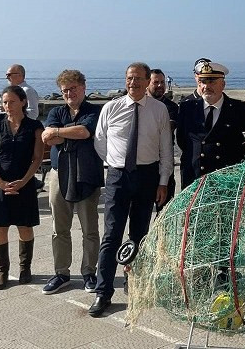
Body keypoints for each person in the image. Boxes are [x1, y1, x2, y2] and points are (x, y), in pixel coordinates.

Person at [88, 62, 174, 317]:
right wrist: (116, 163)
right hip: (117, 177)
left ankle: (134, 285)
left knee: (140, 235)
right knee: (111, 235)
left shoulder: (159, 110)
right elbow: (100, 142)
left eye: (138, 78)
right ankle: (103, 293)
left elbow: (166, 150)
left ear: (148, 81)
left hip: (148, 177)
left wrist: (162, 181)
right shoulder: (111, 108)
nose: (133, 83)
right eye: (129, 78)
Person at [40, 70, 103, 295]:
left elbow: (84, 132)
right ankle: (61, 273)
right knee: (59, 228)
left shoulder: (95, 111)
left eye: (73, 88)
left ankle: (89, 272)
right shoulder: (56, 111)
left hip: (87, 174)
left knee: (90, 229)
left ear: (83, 88)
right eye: (65, 90)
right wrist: (62, 133)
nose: (69, 93)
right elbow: (48, 138)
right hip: (59, 174)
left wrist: (59, 132)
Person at [0, 86, 44, 290]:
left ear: (23, 102)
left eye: (11, 102)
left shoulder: (34, 126)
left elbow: (37, 158)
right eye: (4, 102)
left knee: (24, 226)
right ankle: (2, 272)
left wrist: (26, 180)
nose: (7, 106)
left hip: (24, 184)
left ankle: (25, 268)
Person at [176, 60, 245, 189]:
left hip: (226, 180)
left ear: (223, 84)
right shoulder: (187, 108)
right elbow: (182, 140)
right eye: (203, 82)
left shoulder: (241, 110)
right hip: (194, 178)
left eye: (212, 81)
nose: (207, 86)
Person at [148, 68, 178, 213]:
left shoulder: (171, 107)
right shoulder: (141, 106)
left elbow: (167, 129)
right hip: (145, 163)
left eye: (162, 82)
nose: (160, 86)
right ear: (148, 83)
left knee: (164, 209)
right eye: (156, 82)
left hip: (164, 162)